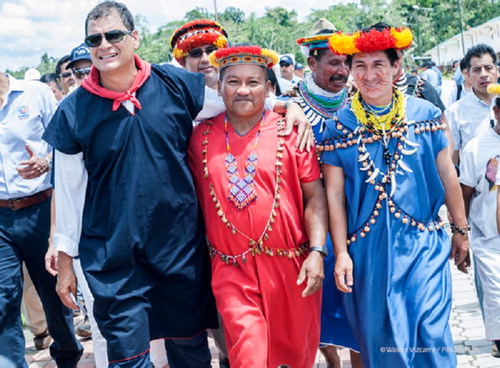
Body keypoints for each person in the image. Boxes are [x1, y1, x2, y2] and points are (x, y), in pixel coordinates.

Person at [43, 2, 219, 367]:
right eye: (94, 39)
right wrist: (64, 264)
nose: (104, 45)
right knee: (128, 358)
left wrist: (286, 108)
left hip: (178, 250)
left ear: (135, 38)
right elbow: (69, 192)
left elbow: (236, 104)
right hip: (114, 258)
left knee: (190, 351)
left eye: (113, 35)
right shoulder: (73, 111)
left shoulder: (176, 84)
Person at [321, 24, 469, 367]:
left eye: (378, 65)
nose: (369, 75)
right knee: (384, 340)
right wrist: (341, 253)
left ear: (395, 67)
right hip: (369, 254)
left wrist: (460, 230)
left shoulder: (425, 116)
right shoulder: (338, 127)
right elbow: (334, 197)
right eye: (360, 66)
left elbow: (448, 174)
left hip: (423, 245)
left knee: (431, 331)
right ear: (350, 70)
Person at [188, 45, 327, 367]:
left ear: (268, 88)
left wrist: (318, 252)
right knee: (248, 355)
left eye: (253, 82)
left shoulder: (292, 132)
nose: (242, 90)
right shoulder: (199, 137)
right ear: (219, 87)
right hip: (231, 268)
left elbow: (314, 196)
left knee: (296, 359)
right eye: (233, 82)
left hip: (293, 268)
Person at [0, 71, 83, 367]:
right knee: (3, 301)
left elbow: (64, 146)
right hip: (0, 219)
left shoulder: (35, 94)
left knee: (54, 294)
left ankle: (68, 356)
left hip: (41, 210)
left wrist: (45, 162)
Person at [294, 19, 361, 368]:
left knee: (359, 309)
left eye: (346, 62)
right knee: (320, 308)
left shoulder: (360, 103)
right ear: (311, 64)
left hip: (358, 222)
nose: (343, 70)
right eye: (333, 62)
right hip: (311, 224)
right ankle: (332, 362)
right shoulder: (289, 109)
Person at [459, 83, 500, 359]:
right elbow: (465, 193)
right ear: (496, 111)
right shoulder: (477, 147)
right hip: (490, 244)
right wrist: (460, 234)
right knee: (498, 299)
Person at [446, 44, 498, 165]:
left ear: (497, 70)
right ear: (467, 74)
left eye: (488, 68)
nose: (483, 74)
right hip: (474, 183)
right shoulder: (455, 112)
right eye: (477, 70)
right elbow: (452, 158)